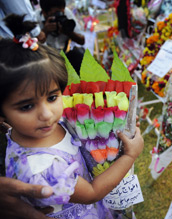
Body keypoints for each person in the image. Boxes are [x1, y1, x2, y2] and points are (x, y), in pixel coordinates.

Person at [0, 14, 144, 218]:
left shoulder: (44, 126)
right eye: (27, 106)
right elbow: (92, 192)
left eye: (51, 97)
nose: (46, 114)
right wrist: (130, 156)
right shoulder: (42, 167)